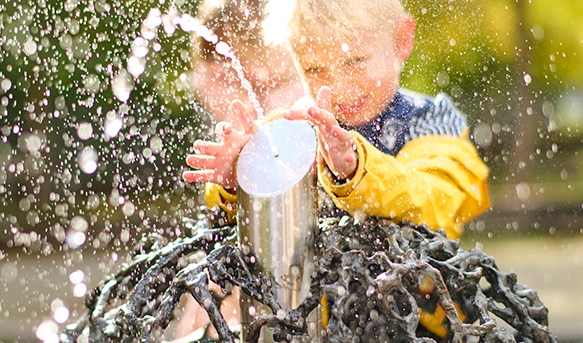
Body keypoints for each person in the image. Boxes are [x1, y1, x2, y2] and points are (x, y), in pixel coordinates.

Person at [183, 0, 492, 339]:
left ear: (401, 39)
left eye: (356, 60)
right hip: (317, 327)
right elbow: (241, 233)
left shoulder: (431, 124)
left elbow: (434, 200)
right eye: (314, 69)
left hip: (418, 325)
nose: (339, 86)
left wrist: (355, 170)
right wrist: (241, 181)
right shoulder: (294, 128)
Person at [173, 0, 313, 340]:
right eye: (228, 78)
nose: (251, 94)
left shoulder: (298, 122)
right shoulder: (229, 129)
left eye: (272, 83)